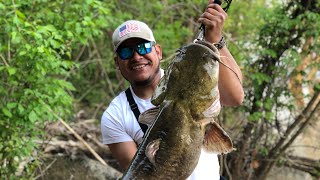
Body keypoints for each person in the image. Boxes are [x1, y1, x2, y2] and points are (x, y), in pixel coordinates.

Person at [101, 1, 244, 179]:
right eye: (125, 52)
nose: (137, 56)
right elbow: (139, 173)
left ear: (158, 52)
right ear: (117, 62)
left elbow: (236, 96)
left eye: (143, 47)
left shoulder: (191, 75)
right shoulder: (115, 116)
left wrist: (216, 40)